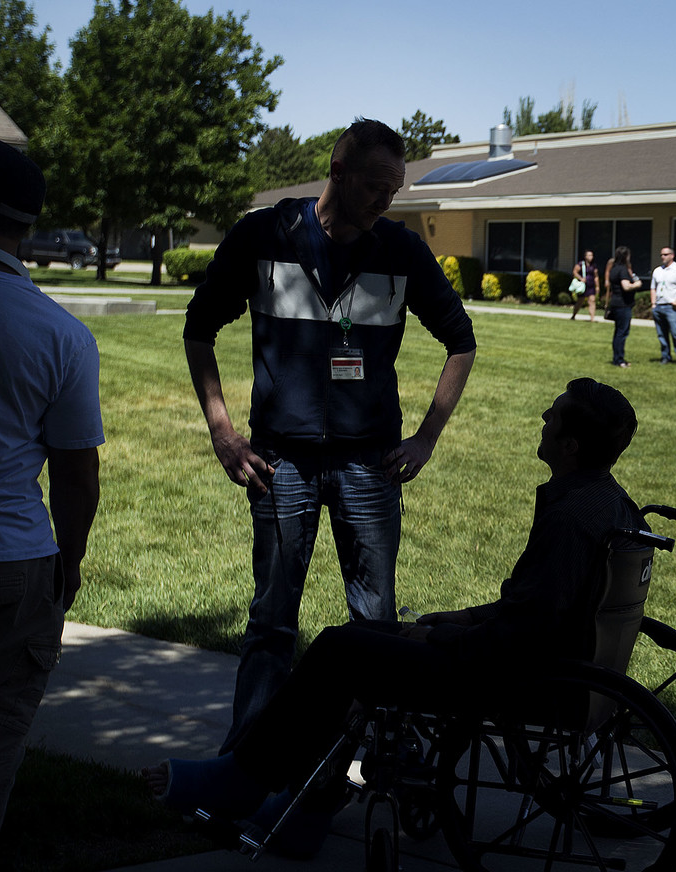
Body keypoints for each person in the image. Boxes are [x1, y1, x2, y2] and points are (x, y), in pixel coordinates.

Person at [145, 380, 646, 846]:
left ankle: (245, 781)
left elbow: (526, 631)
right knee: (364, 637)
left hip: (511, 676)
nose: (544, 415)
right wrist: (465, 618)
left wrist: (441, 639)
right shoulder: (608, 503)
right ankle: (300, 806)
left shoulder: (571, 518)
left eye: (554, 416)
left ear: (571, 445)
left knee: (342, 650)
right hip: (549, 667)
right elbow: (539, 608)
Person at [183, 118, 478, 753]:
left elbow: (461, 342)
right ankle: (246, 763)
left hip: (369, 464)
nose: (385, 200)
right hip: (278, 461)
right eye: (375, 185)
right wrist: (223, 433)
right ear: (337, 173)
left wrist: (426, 437)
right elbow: (199, 327)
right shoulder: (266, 236)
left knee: (375, 624)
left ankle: (383, 761)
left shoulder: (400, 250)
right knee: (270, 623)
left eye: (394, 188)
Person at [0, 142, 104, 828]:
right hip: (16, 564)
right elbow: (74, 471)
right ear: (31, 226)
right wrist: (68, 561)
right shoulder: (60, 335)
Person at [651, 247, 676, 365]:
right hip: (658, 306)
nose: (663, 257)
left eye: (665, 254)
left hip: (671, 307)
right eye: (661, 255)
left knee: (675, 333)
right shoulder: (657, 271)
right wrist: (653, 303)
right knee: (661, 334)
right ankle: (665, 357)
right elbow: (653, 288)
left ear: (672, 255)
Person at [603, 246, 642, 367]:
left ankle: (617, 358)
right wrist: (637, 284)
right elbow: (626, 286)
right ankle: (619, 360)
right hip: (623, 305)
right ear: (626, 256)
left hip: (615, 303)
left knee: (618, 332)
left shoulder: (614, 269)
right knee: (622, 332)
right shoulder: (623, 270)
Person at [569, 249, 601, 323]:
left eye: (592, 255)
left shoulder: (594, 266)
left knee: (592, 301)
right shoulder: (581, 264)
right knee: (580, 301)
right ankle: (573, 315)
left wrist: (597, 286)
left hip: (591, 285)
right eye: (589, 255)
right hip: (583, 286)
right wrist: (581, 278)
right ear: (585, 256)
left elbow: (596, 276)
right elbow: (575, 272)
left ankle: (592, 318)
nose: (591, 257)